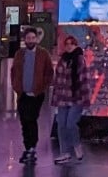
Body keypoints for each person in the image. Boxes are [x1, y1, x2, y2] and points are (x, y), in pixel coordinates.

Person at [12, 28, 53, 164]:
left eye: (32, 38)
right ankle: (28, 147)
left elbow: (49, 72)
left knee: (32, 119)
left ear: (36, 39)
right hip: (23, 93)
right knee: (24, 120)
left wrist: (42, 87)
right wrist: (16, 87)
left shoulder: (43, 54)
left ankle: (32, 148)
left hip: (36, 94)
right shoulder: (19, 54)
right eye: (28, 38)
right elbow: (14, 71)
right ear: (25, 40)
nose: (30, 40)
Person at [49, 34, 89, 165]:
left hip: (76, 97)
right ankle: (64, 152)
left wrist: (85, 98)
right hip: (62, 97)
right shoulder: (62, 60)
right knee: (61, 124)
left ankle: (76, 146)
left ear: (76, 45)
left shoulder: (80, 60)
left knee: (70, 124)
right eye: (67, 44)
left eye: (72, 43)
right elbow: (57, 80)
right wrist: (55, 97)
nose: (69, 46)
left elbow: (84, 80)